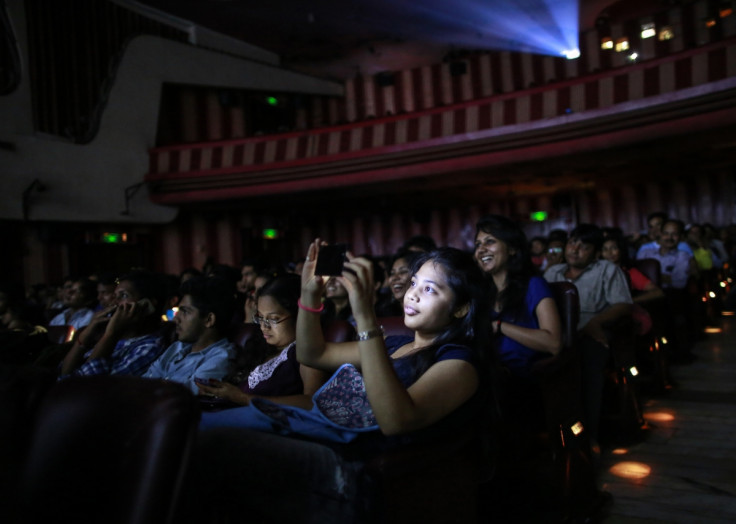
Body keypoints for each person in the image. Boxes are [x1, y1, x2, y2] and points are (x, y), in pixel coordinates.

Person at [186, 240, 492, 523]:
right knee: (190, 428)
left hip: (348, 467)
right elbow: (312, 352)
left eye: (430, 290)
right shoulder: (394, 344)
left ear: (461, 308)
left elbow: (396, 421)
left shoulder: (459, 363)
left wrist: (366, 316)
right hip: (314, 432)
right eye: (414, 283)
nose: (412, 294)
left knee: (213, 444)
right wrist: (309, 295)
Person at [544, 224, 633, 446]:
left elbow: (623, 305)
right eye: (572, 243)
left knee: (589, 364)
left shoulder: (606, 269)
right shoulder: (553, 272)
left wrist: (596, 322)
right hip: (557, 333)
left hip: (590, 332)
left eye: (584, 246)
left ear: (595, 251)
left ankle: (589, 436)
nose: (575, 249)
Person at [196, 274, 326, 410]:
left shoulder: (305, 351)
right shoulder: (261, 347)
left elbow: (312, 402)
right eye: (260, 318)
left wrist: (242, 398)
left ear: (299, 316)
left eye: (273, 319)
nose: (264, 326)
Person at [474, 215, 562, 378]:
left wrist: (500, 326)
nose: (481, 250)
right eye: (478, 244)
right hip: (487, 372)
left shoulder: (534, 285)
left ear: (512, 248)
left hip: (520, 378)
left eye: (490, 241)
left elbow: (553, 343)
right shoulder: (482, 293)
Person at [59, 270, 169, 378]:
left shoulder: (148, 348)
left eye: (123, 296)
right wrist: (86, 335)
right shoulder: (118, 339)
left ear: (146, 305)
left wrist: (111, 334)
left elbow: (83, 385)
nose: (114, 303)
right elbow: (62, 373)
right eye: (115, 296)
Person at [142, 276, 236, 394]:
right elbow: (144, 383)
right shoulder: (177, 347)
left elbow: (181, 398)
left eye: (185, 312)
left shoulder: (221, 358)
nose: (176, 319)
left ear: (209, 319)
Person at [601, 234, 665, 335]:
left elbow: (658, 292)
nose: (609, 253)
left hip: (623, 314)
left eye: (614, 248)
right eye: (605, 249)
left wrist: (631, 301)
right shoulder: (596, 273)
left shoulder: (629, 272)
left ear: (621, 250)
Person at [375, 250, 420, 317]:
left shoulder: (427, 314)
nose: (395, 278)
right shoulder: (383, 313)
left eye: (403, 272)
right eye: (392, 273)